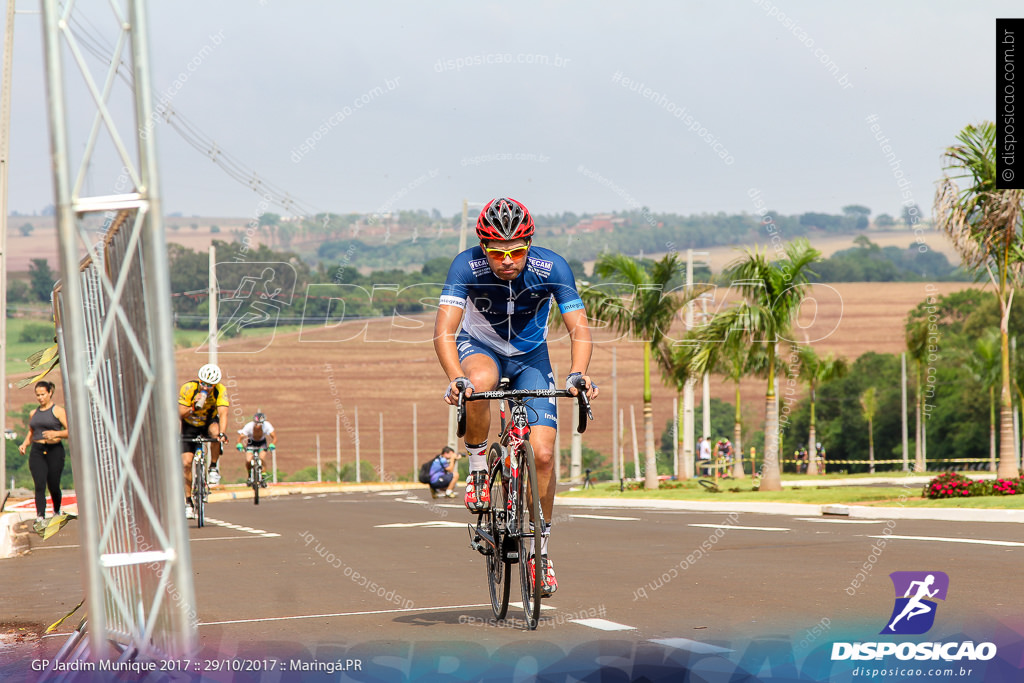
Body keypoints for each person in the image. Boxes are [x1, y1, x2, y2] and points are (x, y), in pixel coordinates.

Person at [434, 197, 598, 597]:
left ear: (529, 244)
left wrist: (577, 374)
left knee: (541, 454)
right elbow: (444, 331)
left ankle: (539, 552)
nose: (507, 260)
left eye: (517, 251)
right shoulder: (465, 265)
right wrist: (457, 378)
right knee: (480, 382)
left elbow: (578, 328)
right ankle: (476, 468)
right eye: (497, 252)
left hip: (531, 357)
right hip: (481, 348)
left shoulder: (552, 267)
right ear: (483, 248)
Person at [179, 364, 229, 519]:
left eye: (210, 385)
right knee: (186, 464)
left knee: (215, 433)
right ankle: (188, 501)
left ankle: (213, 467)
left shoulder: (220, 390)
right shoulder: (188, 388)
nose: (206, 387)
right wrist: (193, 406)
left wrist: (222, 433)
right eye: (203, 383)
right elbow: (180, 413)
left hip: (208, 422)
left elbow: (223, 413)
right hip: (190, 425)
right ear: (199, 380)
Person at [19, 381, 69, 524]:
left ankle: (57, 511)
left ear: (50, 393)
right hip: (37, 451)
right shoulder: (33, 413)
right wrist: (24, 444)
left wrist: (56, 434)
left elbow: (70, 431)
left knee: (53, 484)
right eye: (38, 395)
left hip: (54, 450)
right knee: (39, 484)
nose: (40, 398)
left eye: (43, 394)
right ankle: (40, 516)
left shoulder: (58, 411)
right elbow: (31, 432)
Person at [236, 411, 276, 486]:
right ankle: (249, 475)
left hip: (262, 443)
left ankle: (263, 477)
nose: (258, 426)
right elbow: (240, 437)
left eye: (260, 424)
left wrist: (272, 444)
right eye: (256, 424)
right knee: (248, 460)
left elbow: (274, 437)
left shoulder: (267, 425)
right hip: (251, 443)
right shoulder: (248, 426)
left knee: (262, 458)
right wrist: (239, 444)